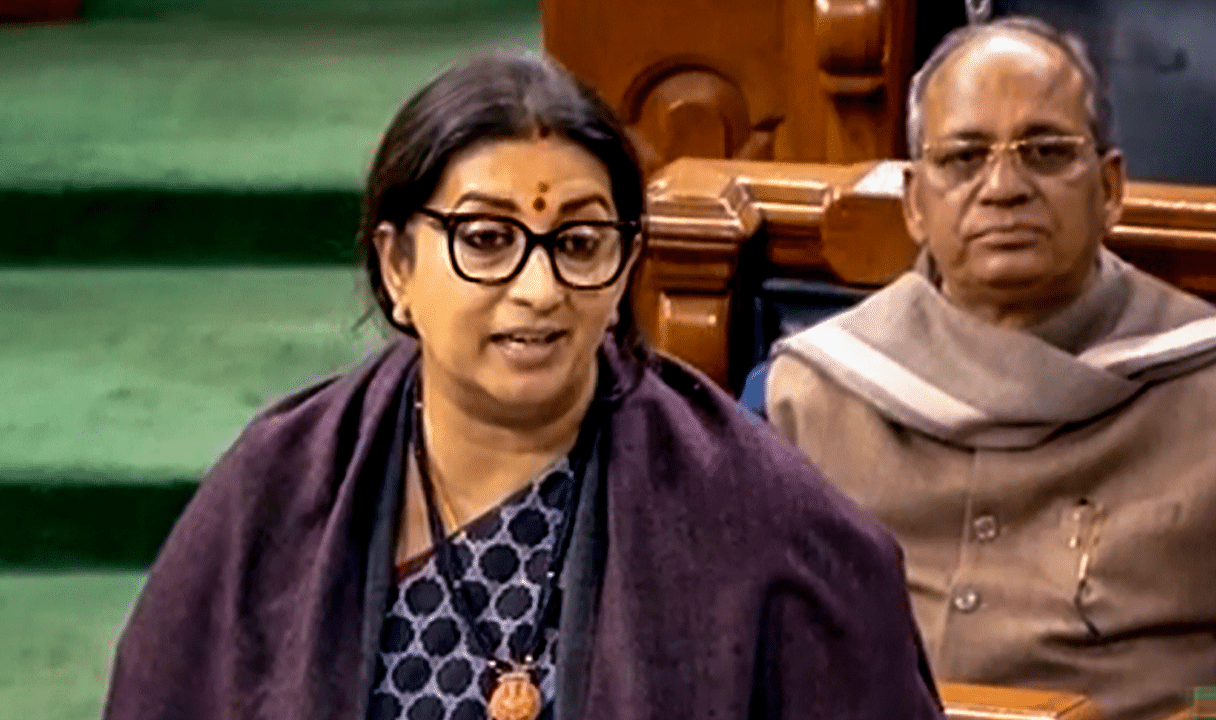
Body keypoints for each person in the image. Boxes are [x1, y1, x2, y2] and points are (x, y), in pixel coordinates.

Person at [102, 52, 941, 720]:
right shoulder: (280, 489)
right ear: (397, 265)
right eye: (488, 238)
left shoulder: (757, 517)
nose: (539, 289)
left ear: (623, 272)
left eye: (578, 243)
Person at [766, 16, 1216, 720]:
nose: (1004, 187)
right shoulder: (809, 395)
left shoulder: (1203, 384)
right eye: (965, 157)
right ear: (915, 202)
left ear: (1111, 187)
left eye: (1045, 151)